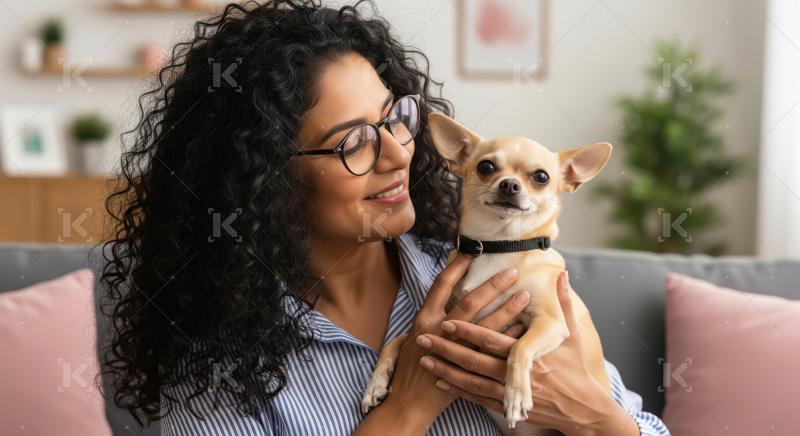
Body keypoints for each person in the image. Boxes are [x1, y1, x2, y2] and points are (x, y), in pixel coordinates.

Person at [99, 1, 671, 435]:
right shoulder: (220, 366)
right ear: (265, 178)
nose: (401, 151)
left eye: (395, 118)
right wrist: (408, 405)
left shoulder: (497, 277)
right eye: (354, 143)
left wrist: (596, 417)